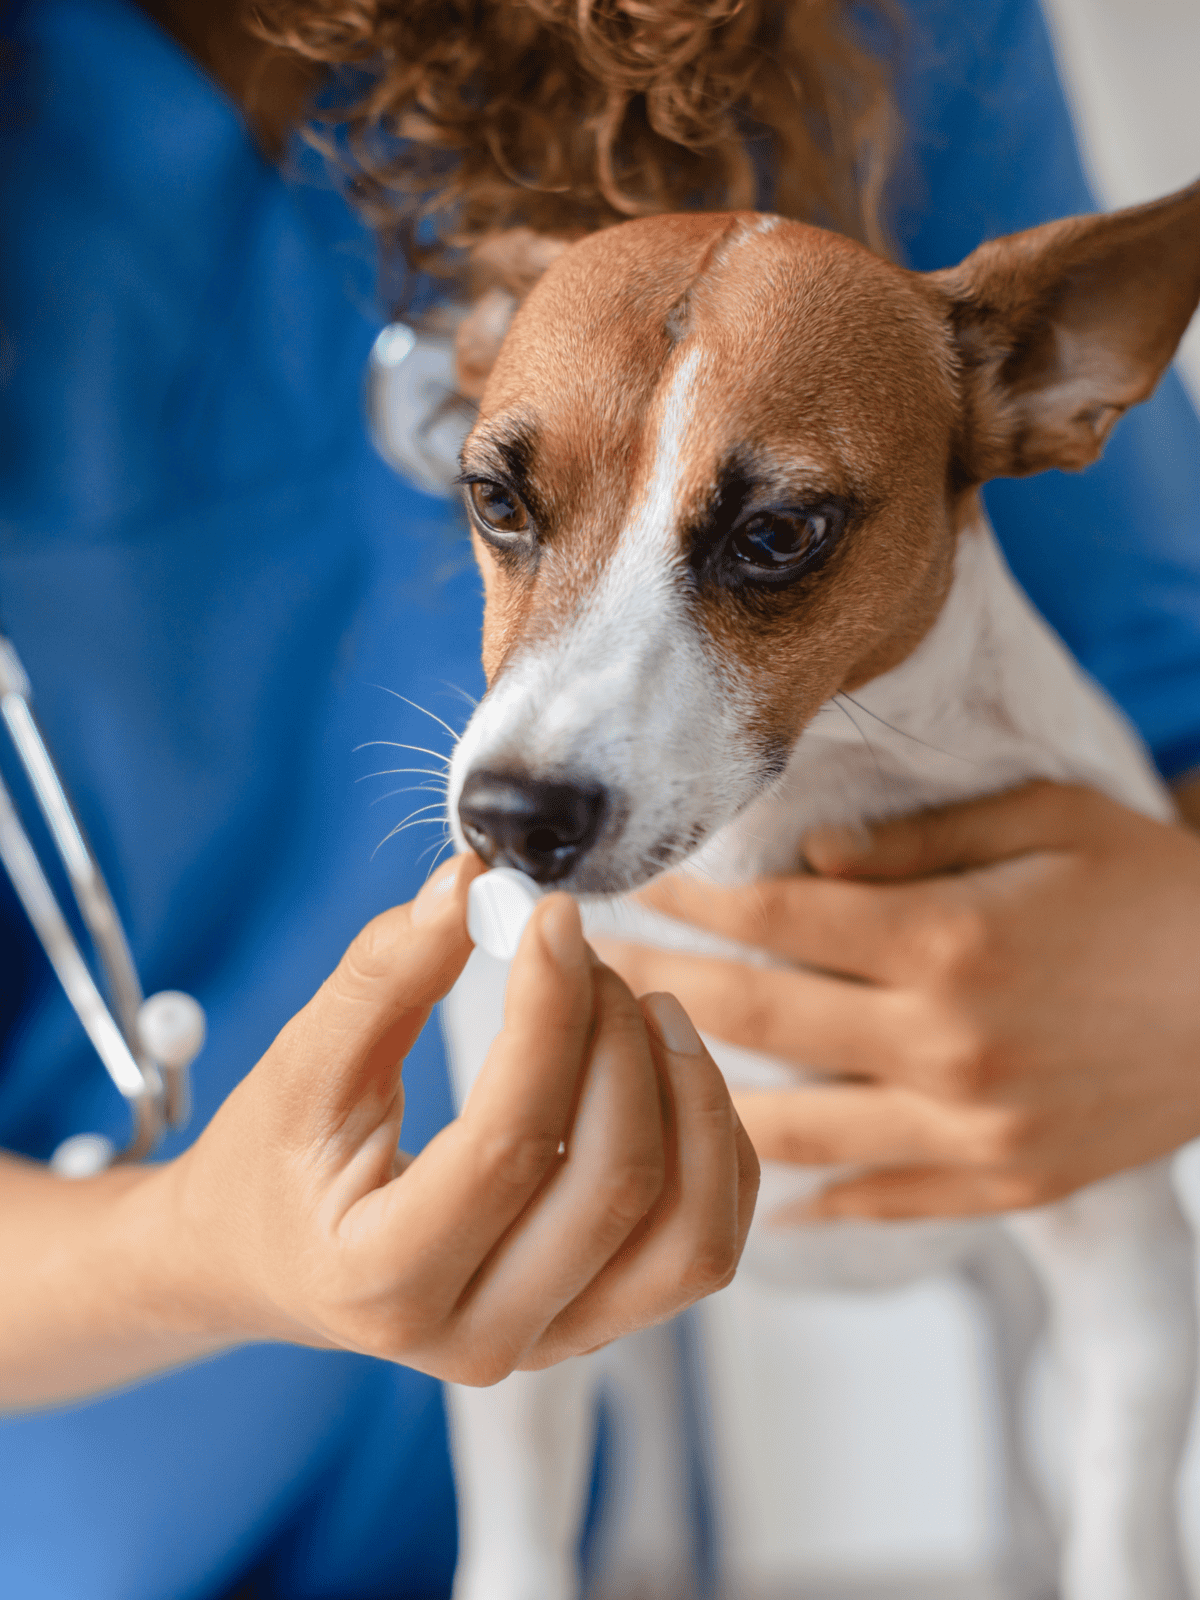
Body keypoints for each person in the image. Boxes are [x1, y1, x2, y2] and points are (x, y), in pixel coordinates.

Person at [0, 3, 1197, 1599]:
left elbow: (1165, 672)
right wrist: (191, 1253)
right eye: (501, 500)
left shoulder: (894, 29)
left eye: (771, 544)